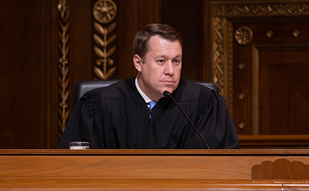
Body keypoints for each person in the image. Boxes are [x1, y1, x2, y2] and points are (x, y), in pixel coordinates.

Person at [58, 23, 239, 149]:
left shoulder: (205, 105)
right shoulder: (99, 105)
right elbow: (75, 167)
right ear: (138, 63)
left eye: (176, 61)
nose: (170, 70)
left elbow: (218, 167)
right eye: (161, 61)